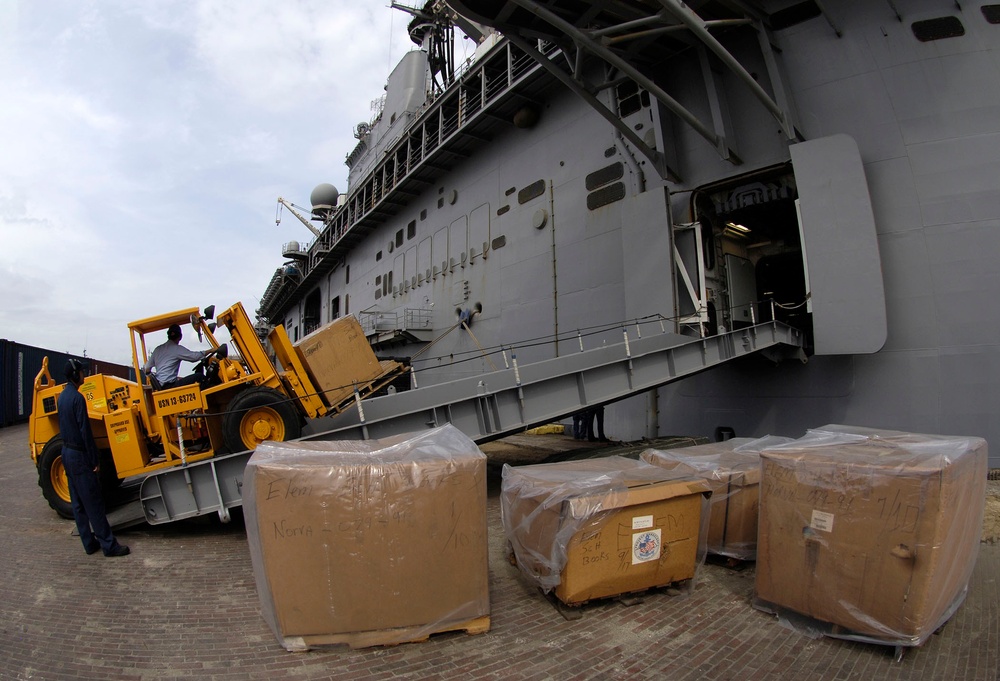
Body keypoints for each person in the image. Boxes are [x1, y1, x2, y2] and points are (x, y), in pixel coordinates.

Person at [58, 359, 130, 557]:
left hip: (66, 453)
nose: (84, 374)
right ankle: (109, 545)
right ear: (75, 375)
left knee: (78, 504)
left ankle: (89, 544)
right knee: (94, 502)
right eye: (81, 372)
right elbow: (85, 432)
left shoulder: (62, 397)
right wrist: (94, 460)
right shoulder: (78, 398)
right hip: (80, 456)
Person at [143, 323, 215, 389]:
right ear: (180, 337)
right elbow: (194, 357)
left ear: (168, 335)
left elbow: (146, 368)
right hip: (170, 386)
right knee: (199, 377)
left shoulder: (157, 350)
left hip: (162, 385)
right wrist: (210, 351)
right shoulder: (176, 349)